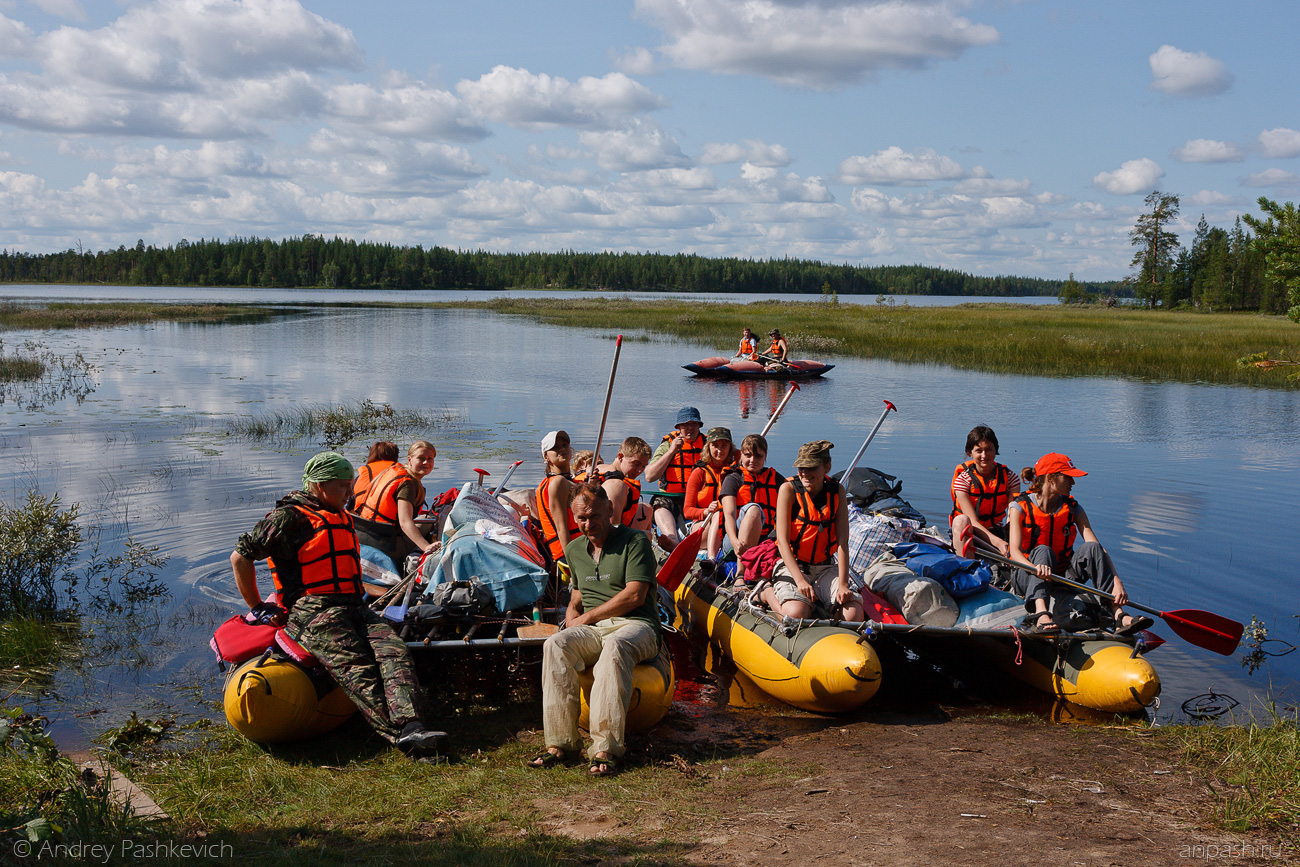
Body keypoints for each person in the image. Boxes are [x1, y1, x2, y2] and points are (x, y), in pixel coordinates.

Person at [230, 452, 446, 757]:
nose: (350, 493)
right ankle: (402, 736)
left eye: (350, 485)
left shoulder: (340, 514)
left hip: (353, 605)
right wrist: (256, 606)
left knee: (393, 651)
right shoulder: (289, 517)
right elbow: (241, 557)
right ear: (319, 486)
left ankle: (412, 725)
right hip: (313, 610)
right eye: (343, 486)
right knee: (356, 665)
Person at [529, 483, 661, 777]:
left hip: (637, 625)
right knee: (555, 645)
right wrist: (571, 618)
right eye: (581, 519)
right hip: (595, 628)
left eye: (594, 516)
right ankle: (561, 743)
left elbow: (635, 595)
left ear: (610, 510)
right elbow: (577, 596)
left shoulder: (634, 541)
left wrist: (586, 619)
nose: (588, 524)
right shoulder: (574, 549)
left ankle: (606, 748)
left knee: (615, 647)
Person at [1005, 453, 1153, 635]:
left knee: (1093, 548)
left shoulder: (1073, 507)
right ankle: (1041, 613)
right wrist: (1034, 569)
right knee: (1044, 550)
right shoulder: (1018, 506)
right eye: (1067, 477)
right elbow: (1015, 552)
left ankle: (1118, 615)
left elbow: (1097, 548)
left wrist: (1116, 580)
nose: (1072, 482)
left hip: (1061, 576)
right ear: (1051, 478)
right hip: (1027, 575)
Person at [768, 440, 863, 623]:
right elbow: (782, 541)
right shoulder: (788, 490)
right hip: (793, 565)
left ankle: (828, 610)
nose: (805, 473)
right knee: (796, 613)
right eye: (801, 467)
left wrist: (843, 584)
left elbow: (843, 542)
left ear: (827, 467)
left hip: (825, 567)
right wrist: (801, 581)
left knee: (853, 614)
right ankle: (767, 593)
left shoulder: (837, 491)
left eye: (811, 467)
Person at [350, 441, 439, 563]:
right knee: (428, 521)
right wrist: (426, 547)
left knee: (425, 519)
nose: (426, 463)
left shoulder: (395, 472)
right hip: (388, 547)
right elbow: (404, 522)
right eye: (421, 458)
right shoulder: (408, 483)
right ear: (409, 459)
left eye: (430, 458)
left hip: (368, 539)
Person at [949, 425, 1020, 558]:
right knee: (961, 520)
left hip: (997, 531)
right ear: (970, 453)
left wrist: (1012, 544)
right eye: (978, 451)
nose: (984, 455)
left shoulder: (1011, 478)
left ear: (995, 450)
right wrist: (999, 544)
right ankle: (966, 567)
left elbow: (1013, 516)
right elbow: (973, 521)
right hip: (971, 532)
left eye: (988, 450)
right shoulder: (962, 481)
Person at [643, 407, 705, 551]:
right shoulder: (667, 445)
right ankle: (672, 540)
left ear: (699, 426)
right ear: (678, 427)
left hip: (698, 498)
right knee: (658, 503)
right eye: (685, 425)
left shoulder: (708, 445)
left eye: (694, 424)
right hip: (671, 498)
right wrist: (672, 451)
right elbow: (650, 476)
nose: (690, 428)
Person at [720, 433, 784, 560]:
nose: (753, 460)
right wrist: (734, 542)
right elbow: (729, 514)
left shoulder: (775, 479)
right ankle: (741, 572)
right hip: (735, 541)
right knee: (754, 509)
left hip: (766, 539)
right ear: (741, 456)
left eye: (759, 456)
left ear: (765, 456)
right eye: (748, 455)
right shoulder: (733, 478)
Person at [683, 427, 737, 560]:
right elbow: (687, 511)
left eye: (724, 446)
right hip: (702, 525)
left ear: (731, 447)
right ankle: (711, 559)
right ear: (708, 447)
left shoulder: (736, 470)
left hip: (727, 525)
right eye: (715, 446)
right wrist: (706, 511)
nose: (720, 450)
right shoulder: (699, 472)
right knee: (718, 513)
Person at [536, 430, 580, 566]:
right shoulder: (558, 482)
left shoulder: (571, 481)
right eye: (555, 447)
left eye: (565, 444)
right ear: (546, 457)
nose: (562, 448)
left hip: (583, 547)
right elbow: (561, 526)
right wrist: (571, 564)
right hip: (571, 555)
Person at [592, 437, 653, 531]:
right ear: (620, 457)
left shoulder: (599, 467)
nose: (640, 470)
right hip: (604, 538)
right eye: (636, 463)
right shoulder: (616, 485)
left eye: (644, 466)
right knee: (647, 535)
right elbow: (612, 531)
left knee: (646, 509)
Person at [348, 441, 398, 511]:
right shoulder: (398, 474)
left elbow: (350, 508)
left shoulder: (360, 477)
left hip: (361, 516)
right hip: (387, 518)